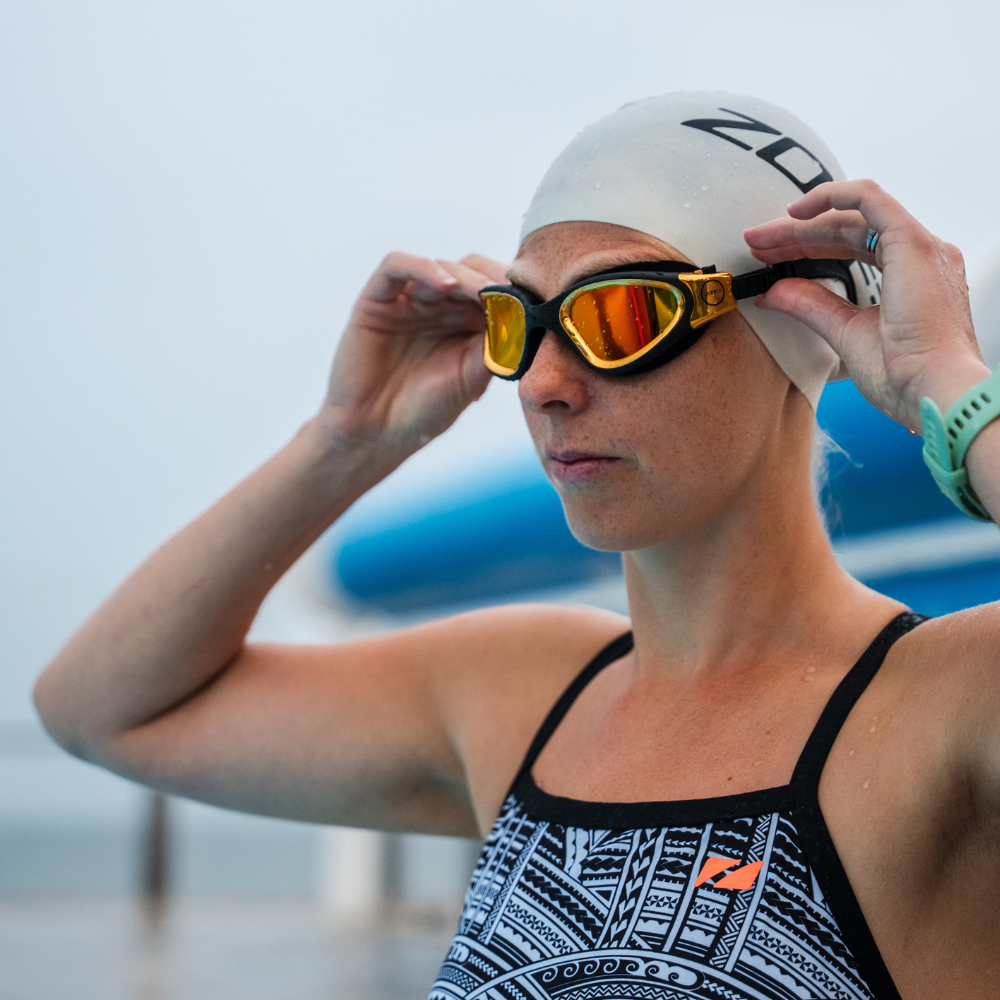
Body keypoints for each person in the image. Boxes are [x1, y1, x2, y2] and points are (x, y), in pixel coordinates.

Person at [33, 92, 1000, 1000]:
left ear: (795, 321)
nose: (543, 385)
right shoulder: (525, 694)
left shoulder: (943, 705)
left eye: (617, 316)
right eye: (523, 324)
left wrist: (950, 387)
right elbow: (102, 711)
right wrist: (347, 439)